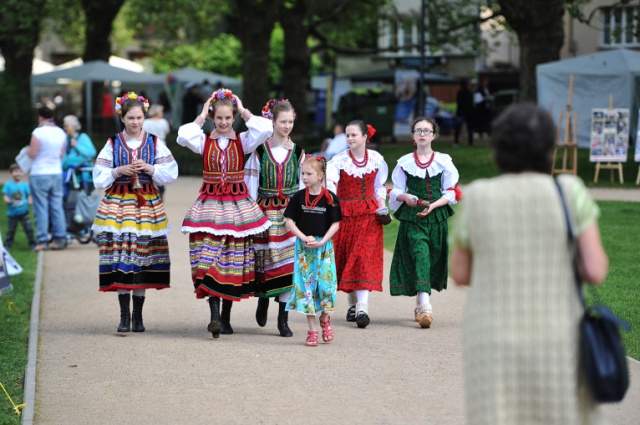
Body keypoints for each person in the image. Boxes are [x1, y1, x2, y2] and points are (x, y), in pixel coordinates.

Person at [450, 103, 609, 425]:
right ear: (549, 147)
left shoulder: (478, 196)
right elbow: (594, 269)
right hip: (557, 331)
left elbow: (461, 273)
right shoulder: (568, 191)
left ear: (498, 146)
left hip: (491, 334)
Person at [176, 88, 273, 339]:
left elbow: (265, 130)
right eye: (218, 118)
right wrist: (201, 115)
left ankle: (225, 318)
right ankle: (215, 316)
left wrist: (243, 110)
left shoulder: (243, 140)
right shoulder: (203, 140)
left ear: (234, 118)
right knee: (208, 256)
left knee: (233, 258)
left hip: (237, 204)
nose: (223, 122)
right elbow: (183, 135)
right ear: (212, 117)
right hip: (209, 203)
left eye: (228, 118)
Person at [92, 92, 178, 333]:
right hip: (118, 204)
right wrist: (118, 170)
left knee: (142, 255)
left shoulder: (154, 142)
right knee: (122, 254)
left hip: (146, 204)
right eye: (131, 117)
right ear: (122, 117)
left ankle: (138, 317)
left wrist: (150, 168)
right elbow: (97, 176)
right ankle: (123, 317)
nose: (135, 122)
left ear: (144, 117)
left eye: (139, 117)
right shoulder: (112, 143)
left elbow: (171, 172)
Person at [388, 116, 460, 328]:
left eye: (426, 131)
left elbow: (450, 192)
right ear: (412, 135)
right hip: (413, 218)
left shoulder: (444, 161)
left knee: (431, 258)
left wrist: (435, 205)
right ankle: (426, 307)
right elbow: (396, 191)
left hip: (436, 217)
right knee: (420, 254)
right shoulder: (404, 163)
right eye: (418, 131)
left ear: (434, 135)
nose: (422, 134)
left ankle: (420, 303)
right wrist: (408, 198)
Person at [245, 99, 304, 337]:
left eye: (290, 121)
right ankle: (263, 299)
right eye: (283, 121)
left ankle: (283, 319)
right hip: (264, 214)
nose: (287, 126)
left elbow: (303, 184)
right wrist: (250, 216)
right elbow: (250, 185)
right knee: (266, 262)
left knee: (288, 265)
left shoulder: (299, 152)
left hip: (289, 214)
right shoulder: (259, 152)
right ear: (272, 121)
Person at [326, 120, 388, 329]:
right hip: (345, 213)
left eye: (354, 135)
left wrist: (382, 208)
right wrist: (332, 206)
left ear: (364, 137)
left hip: (369, 215)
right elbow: (331, 184)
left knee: (363, 258)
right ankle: (352, 304)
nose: (350, 138)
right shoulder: (339, 161)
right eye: (347, 135)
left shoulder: (377, 160)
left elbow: (379, 187)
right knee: (346, 258)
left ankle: (362, 307)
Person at [284, 155, 341, 346]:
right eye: (303, 174)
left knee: (327, 287)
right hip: (304, 250)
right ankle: (312, 330)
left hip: (323, 248)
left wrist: (323, 241)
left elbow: (335, 224)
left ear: (320, 175)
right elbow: (289, 221)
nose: (305, 177)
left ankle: (325, 318)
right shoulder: (298, 197)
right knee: (306, 289)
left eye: (309, 173)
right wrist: (302, 237)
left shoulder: (330, 198)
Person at [28, 106, 68, 251]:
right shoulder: (60, 132)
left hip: (39, 172)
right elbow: (61, 155)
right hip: (56, 172)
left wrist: (27, 151)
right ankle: (59, 238)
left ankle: (43, 240)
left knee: (41, 208)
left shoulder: (38, 132)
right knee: (57, 206)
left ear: (40, 117)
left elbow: (32, 153)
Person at [62, 115, 97, 230]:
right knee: (69, 201)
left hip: (81, 176)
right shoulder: (66, 139)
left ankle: (80, 227)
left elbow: (91, 153)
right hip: (69, 176)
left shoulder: (82, 137)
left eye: (66, 126)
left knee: (79, 201)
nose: (65, 128)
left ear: (74, 126)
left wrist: (77, 146)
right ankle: (73, 227)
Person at [2, 164, 37, 250]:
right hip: (12, 213)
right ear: (11, 173)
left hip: (24, 212)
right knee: (11, 230)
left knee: (28, 229)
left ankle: (32, 243)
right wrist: (8, 201)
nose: (18, 173)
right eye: (16, 171)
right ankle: (7, 244)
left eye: (20, 171)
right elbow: (5, 195)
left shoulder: (25, 185)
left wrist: (30, 200)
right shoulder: (8, 185)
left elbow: (29, 195)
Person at [453, 78, 474, 146]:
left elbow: (458, 102)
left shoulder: (460, 92)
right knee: (470, 128)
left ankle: (456, 141)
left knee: (458, 128)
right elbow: (471, 103)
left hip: (461, 112)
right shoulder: (469, 92)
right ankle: (470, 142)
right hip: (468, 112)